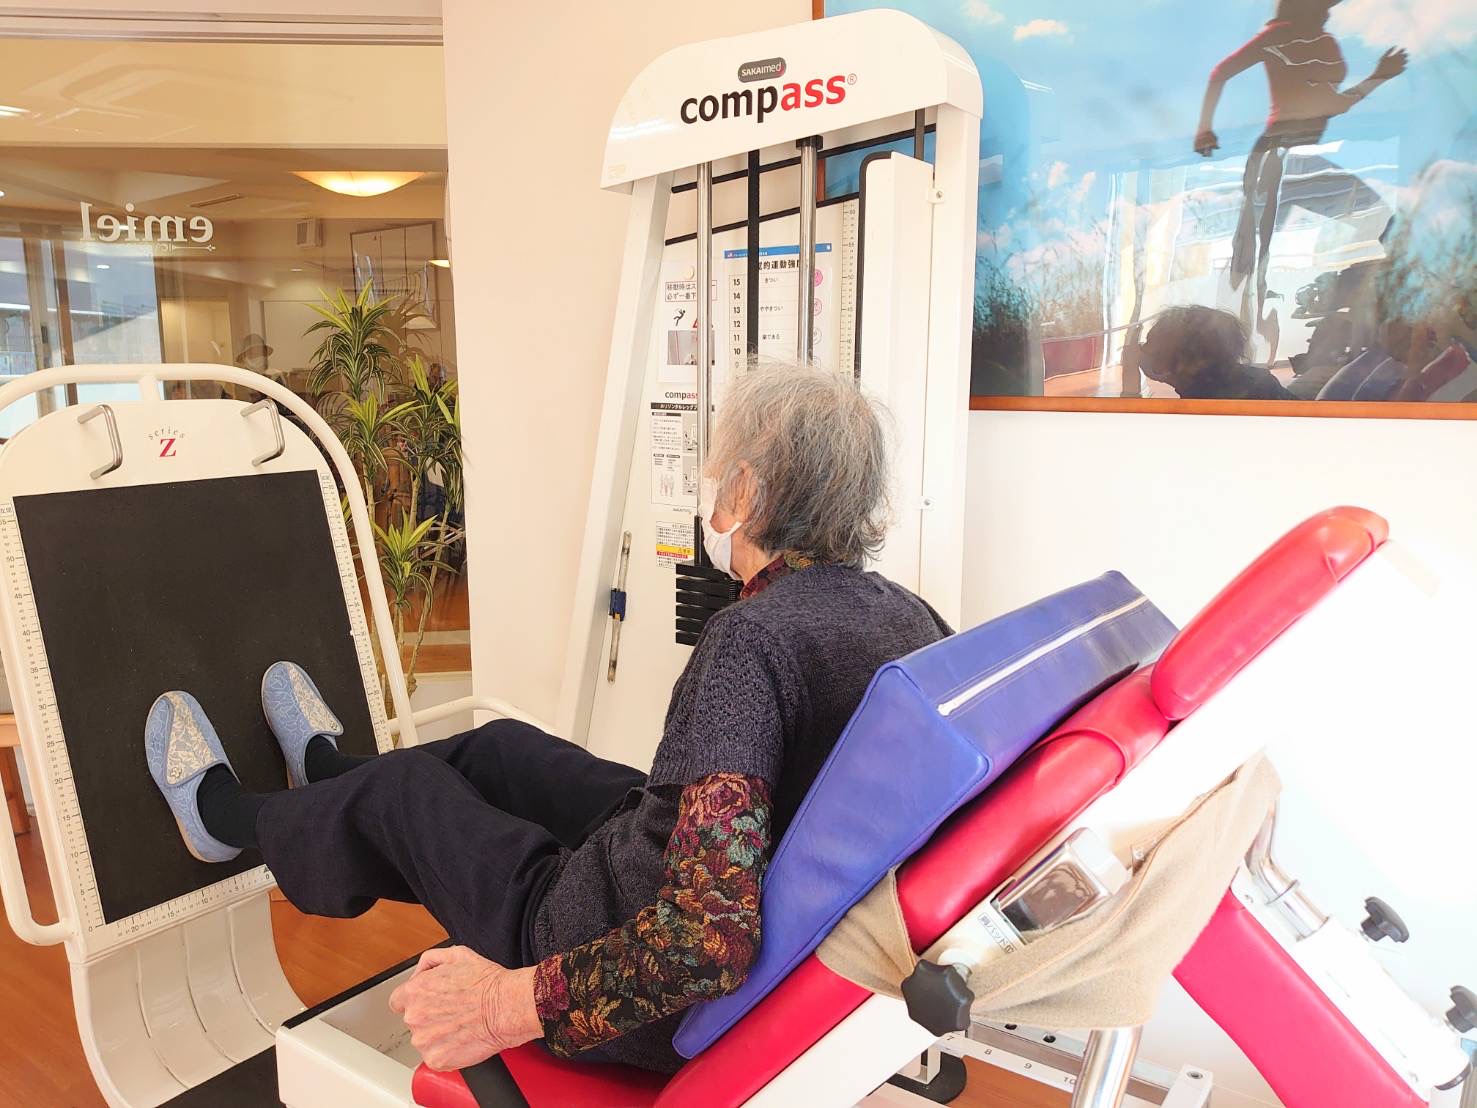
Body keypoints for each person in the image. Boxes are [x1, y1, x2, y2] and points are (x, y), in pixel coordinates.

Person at [141, 364, 950, 1074]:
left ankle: (225, 820)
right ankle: (327, 774)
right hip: (715, 874)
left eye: (718, 473)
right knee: (501, 750)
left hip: (606, 966)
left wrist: (507, 1004)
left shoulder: (754, 639)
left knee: (403, 795)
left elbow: (703, 943)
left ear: (744, 492)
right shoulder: (910, 618)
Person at [1195, 0, 1407, 355]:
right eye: (1322, 5)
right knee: (1255, 248)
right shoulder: (1278, 37)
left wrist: (1380, 76)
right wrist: (1204, 129)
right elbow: (1220, 73)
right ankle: (1243, 344)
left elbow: (1335, 104)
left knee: (1377, 216)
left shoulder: (1324, 41)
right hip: (1277, 152)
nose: (1327, 12)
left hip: (1305, 156)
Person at [1136, 305, 1293, 400]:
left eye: (1149, 343)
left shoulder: (1205, 405)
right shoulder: (1254, 382)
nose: (1141, 349)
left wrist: (1130, 383)